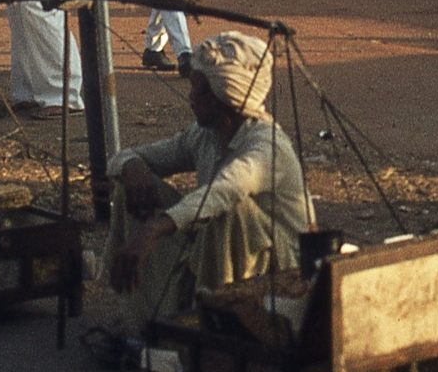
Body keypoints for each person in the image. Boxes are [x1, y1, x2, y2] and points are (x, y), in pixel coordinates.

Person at [106, 31, 314, 325]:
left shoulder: (267, 145)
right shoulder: (204, 135)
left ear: (219, 97)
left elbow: (224, 191)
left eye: (196, 87)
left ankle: (217, 325)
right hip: (213, 251)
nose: (190, 96)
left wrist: (152, 229)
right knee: (130, 185)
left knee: (229, 212)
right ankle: (150, 318)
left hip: (282, 274)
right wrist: (132, 166)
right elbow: (122, 158)